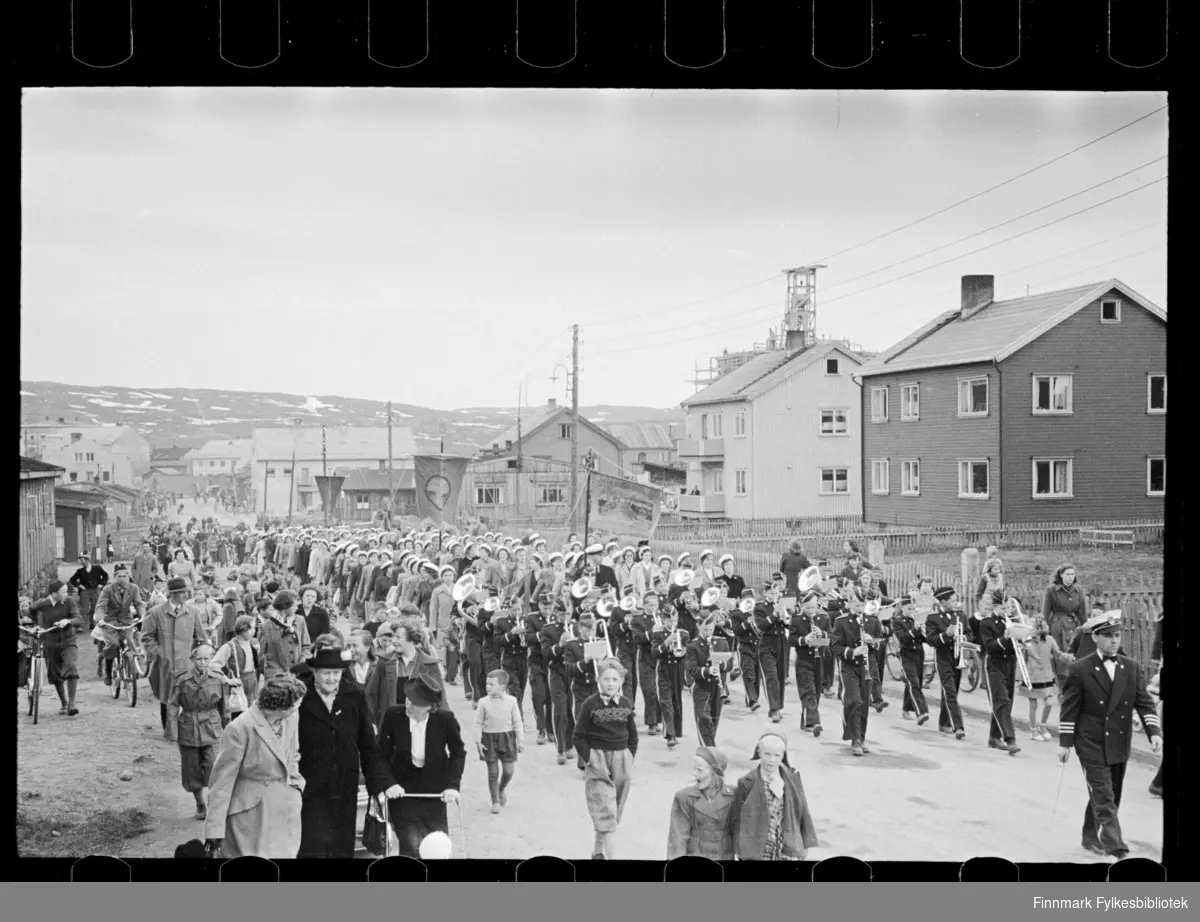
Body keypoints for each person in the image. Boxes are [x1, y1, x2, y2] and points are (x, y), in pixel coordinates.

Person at [1057, 612, 1161, 859]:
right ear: (1095, 637)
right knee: (1104, 794)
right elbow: (1069, 709)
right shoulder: (1080, 669)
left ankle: (1089, 836)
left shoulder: (1131, 668)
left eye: (1117, 635)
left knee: (1110, 793)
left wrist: (1154, 732)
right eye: (1107, 636)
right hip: (1089, 741)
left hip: (1118, 740)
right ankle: (1118, 849)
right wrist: (1065, 744)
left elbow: (1144, 703)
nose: (1114, 641)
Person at [297, 646, 401, 858]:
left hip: (344, 782)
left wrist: (377, 784)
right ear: (315, 673)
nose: (331, 678)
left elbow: (368, 745)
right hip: (310, 783)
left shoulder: (355, 696)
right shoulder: (300, 698)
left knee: (341, 845)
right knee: (312, 845)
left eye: (336, 673)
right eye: (326, 673)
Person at [204, 673, 308, 859]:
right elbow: (221, 782)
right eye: (296, 704)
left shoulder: (292, 717)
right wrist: (214, 830)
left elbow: (293, 754)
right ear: (281, 707)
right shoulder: (240, 727)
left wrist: (296, 787)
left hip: (284, 808)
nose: (299, 706)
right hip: (250, 816)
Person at [378, 674, 467, 859]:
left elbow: (458, 753)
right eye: (408, 700)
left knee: (436, 847)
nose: (408, 705)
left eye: (415, 703)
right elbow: (380, 754)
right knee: (411, 845)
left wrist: (452, 786)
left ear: (430, 707)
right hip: (403, 790)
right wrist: (389, 783)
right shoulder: (394, 715)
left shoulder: (445, 719)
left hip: (434, 792)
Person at [573, 659, 638, 860]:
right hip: (598, 759)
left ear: (621, 681)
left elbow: (632, 735)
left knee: (614, 809)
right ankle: (612, 857)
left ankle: (597, 851)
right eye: (606, 679)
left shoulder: (626, 704)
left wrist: (628, 756)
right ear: (598, 679)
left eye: (615, 679)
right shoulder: (590, 704)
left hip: (621, 760)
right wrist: (590, 757)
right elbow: (578, 735)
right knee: (604, 808)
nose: (610, 683)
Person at [727, 731, 819, 861]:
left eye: (777, 755)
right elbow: (738, 818)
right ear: (759, 752)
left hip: (785, 842)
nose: (771, 760)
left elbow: (802, 812)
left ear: (783, 756)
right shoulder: (747, 782)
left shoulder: (792, 779)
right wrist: (737, 848)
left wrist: (804, 846)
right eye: (767, 754)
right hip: (758, 846)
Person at [168, 643, 233, 820]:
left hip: (212, 728)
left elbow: (225, 707)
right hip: (188, 728)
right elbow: (172, 705)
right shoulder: (182, 680)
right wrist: (172, 732)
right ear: (192, 660)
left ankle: (215, 804)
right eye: (199, 659)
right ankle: (200, 803)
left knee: (214, 766)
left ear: (212, 659)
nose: (202, 662)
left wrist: (228, 730)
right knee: (192, 769)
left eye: (206, 658)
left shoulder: (219, 678)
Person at [143, 577, 210, 741]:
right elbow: (146, 638)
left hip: (188, 664)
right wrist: (160, 653)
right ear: (171, 594)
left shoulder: (192, 612)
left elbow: (201, 637)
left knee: (190, 698)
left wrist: (201, 655)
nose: (184, 595)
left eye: (185, 592)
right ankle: (170, 732)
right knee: (167, 698)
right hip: (165, 664)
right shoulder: (156, 612)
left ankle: (189, 731)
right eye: (180, 592)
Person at [666, 746, 735, 860]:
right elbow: (677, 841)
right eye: (694, 769)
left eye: (699, 770)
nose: (694, 774)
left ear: (715, 773)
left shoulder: (733, 797)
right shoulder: (684, 798)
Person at [29, 581, 84, 716]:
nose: (67, 594)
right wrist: (36, 625)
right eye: (63, 592)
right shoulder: (42, 604)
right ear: (54, 594)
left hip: (68, 640)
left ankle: (71, 704)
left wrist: (68, 621)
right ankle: (64, 703)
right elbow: (31, 610)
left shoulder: (69, 602)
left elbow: (78, 618)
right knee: (55, 673)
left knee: (71, 666)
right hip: (50, 642)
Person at [473, 669, 525, 814]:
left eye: (492, 684)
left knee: (508, 771)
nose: (488, 687)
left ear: (502, 687)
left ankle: (501, 788)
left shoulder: (511, 701)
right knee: (493, 772)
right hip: (489, 739)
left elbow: (517, 722)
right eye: (486, 683)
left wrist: (520, 740)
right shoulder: (483, 703)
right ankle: (495, 801)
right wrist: (478, 741)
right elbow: (478, 723)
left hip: (507, 739)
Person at [979, 592, 1022, 756]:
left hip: (1010, 664)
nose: (1007, 610)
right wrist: (1005, 638)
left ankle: (994, 737)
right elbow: (989, 646)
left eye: (1009, 607)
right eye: (1004, 607)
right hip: (994, 664)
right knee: (1001, 700)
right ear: (996, 607)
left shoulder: (1012, 623)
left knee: (1007, 701)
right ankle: (1010, 740)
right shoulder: (987, 623)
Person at [924, 587, 968, 740]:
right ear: (943, 602)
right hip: (943, 658)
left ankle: (943, 723)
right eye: (953, 600)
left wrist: (964, 638)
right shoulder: (933, 618)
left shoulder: (960, 615)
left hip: (957, 657)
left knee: (950, 691)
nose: (956, 603)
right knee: (950, 692)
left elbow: (969, 632)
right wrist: (946, 634)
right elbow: (931, 640)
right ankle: (958, 726)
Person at [93, 565, 147, 687]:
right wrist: (100, 619)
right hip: (110, 621)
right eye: (119, 576)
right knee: (112, 645)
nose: (122, 579)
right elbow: (100, 606)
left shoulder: (133, 588)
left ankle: (133, 666)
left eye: (124, 576)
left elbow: (138, 604)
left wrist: (142, 614)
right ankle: (108, 670)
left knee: (130, 641)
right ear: (114, 577)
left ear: (128, 577)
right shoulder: (108, 589)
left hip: (126, 620)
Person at [1042, 565, 1088, 697]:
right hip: (1058, 627)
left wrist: (1085, 628)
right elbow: (1045, 612)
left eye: (1072, 574)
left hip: (1074, 627)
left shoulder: (1078, 590)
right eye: (1067, 574)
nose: (1070, 577)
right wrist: (1043, 630)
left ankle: (1074, 689)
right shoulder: (1051, 590)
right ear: (1061, 575)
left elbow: (1083, 613)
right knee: (1061, 657)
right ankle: (1062, 690)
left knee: (1075, 656)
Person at [1020, 616, 1068, 742]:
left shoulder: (1050, 639)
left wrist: (1065, 656)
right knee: (1033, 704)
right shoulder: (1028, 640)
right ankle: (1033, 730)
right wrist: (1035, 656)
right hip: (1033, 676)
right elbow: (1028, 650)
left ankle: (1043, 726)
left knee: (1049, 702)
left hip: (1047, 675)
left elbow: (1057, 652)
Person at [685, 614, 729, 747]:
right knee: (703, 719)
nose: (708, 633)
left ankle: (708, 747)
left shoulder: (722, 642)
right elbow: (692, 669)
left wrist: (720, 664)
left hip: (718, 687)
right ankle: (709, 750)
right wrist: (708, 670)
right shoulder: (693, 646)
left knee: (714, 721)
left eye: (711, 629)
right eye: (705, 630)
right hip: (702, 688)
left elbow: (730, 664)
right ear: (698, 626)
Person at [210, 615, 260, 721]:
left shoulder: (253, 644)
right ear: (242, 629)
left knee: (253, 714)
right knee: (238, 716)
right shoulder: (229, 646)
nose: (254, 631)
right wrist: (226, 680)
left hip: (252, 681)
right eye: (251, 628)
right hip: (238, 683)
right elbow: (213, 666)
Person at [258, 591, 312, 680]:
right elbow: (260, 654)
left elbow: (306, 646)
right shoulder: (266, 626)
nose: (297, 607)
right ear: (284, 605)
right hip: (275, 677)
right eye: (294, 605)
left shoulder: (300, 621)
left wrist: (302, 663)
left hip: (297, 675)